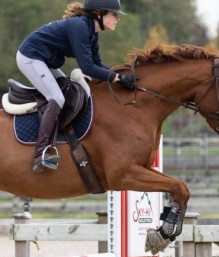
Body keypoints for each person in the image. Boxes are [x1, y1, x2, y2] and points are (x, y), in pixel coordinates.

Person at [16, 0, 136, 174]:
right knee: (56, 97)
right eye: (114, 14)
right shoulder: (79, 27)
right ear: (99, 13)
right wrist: (117, 78)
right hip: (30, 57)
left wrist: (123, 77)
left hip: (44, 60)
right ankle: (41, 153)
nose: (117, 18)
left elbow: (98, 65)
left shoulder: (92, 33)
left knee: (65, 92)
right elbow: (87, 68)